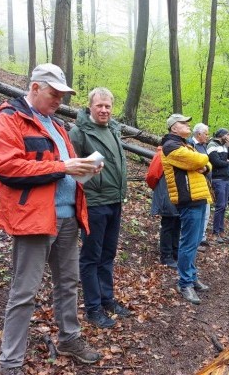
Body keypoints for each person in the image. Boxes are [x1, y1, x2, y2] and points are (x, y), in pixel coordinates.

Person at [0, 63, 100, 374]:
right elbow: (7, 168)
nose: (59, 101)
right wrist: (63, 167)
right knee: (23, 292)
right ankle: (10, 363)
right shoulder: (10, 118)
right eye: (54, 94)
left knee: (68, 282)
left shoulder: (57, 126)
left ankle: (69, 338)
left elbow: (64, 166)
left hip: (68, 217)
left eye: (62, 95)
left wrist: (86, 169)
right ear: (35, 87)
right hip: (34, 219)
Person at [69, 87, 133, 329]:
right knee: (91, 257)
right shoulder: (79, 132)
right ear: (90, 106)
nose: (104, 110)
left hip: (114, 200)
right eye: (100, 106)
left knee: (108, 254)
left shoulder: (113, 129)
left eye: (108, 106)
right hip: (94, 203)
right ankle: (93, 308)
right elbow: (71, 167)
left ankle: (107, 300)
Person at [162, 114, 212, 305]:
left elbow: (206, 165)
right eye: (183, 123)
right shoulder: (170, 146)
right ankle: (184, 283)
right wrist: (203, 162)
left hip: (198, 197)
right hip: (188, 199)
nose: (187, 125)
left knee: (196, 240)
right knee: (189, 243)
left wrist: (204, 165)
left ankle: (191, 277)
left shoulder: (185, 144)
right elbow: (201, 160)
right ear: (174, 127)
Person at [146, 144, 180, 268]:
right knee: (168, 223)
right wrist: (161, 190)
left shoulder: (180, 152)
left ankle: (175, 253)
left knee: (177, 223)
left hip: (178, 195)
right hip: (166, 193)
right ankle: (166, 256)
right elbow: (151, 176)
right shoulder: (161, 154)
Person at [207, 128, 229, 243]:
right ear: (222, 135)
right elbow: (215, 162)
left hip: (226, 179)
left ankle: (221, 231)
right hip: (218, 179)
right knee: (220, 206)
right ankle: (215, 232)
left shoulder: (224, 146)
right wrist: (226, 163)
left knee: (224, 206)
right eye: (227, 135)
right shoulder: (212, 145)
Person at [188, 123, 211, 250]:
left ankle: (200, 238)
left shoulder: (204, 146)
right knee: (197, 214)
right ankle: (195, 240)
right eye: (206, 134)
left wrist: (207, 168)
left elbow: (207, 164)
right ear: (199, 134)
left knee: (206, 212)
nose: (207, 136)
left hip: (206, 183)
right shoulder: (190, 144)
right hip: (195, 185)